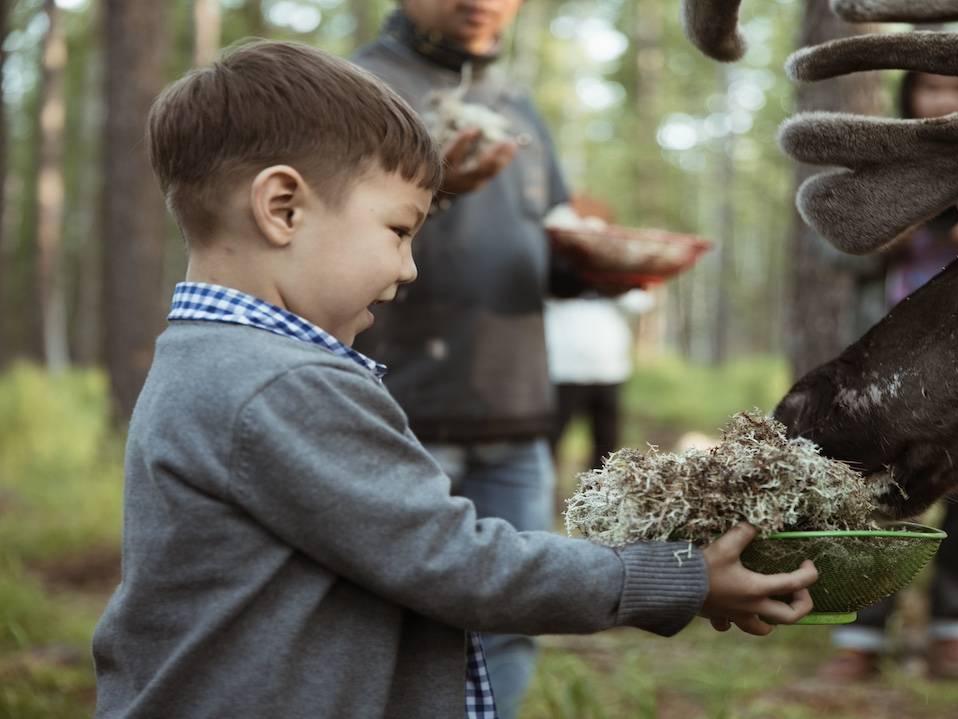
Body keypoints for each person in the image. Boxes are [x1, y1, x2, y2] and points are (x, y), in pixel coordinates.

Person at [90, 40, 820, 719]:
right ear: (283, 208)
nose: (408, 268)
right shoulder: (277, 384)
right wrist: (675, 578)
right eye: (399, 231)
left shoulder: (205, 355)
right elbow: (459, 562)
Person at [350, 4, 598, 714]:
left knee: (515, 621)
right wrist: (438, 192)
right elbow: (328, 239)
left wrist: (591, 268)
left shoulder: (516, 100)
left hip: (518, 412)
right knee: (396, 622)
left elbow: (544, 243)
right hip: (399, 410)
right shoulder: (359, 88)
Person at [819, 71, 958, 683]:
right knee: (874, 493)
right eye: (932, 88)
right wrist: (892, 230)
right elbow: (835, 252)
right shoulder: (884, 165)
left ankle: (957, 632)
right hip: (891, 365)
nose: (945, 101)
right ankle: (859, 635)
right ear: (909, 94)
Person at [546, 287, 653, 471]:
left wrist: (609, 282)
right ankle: (546, 495)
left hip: (609, 370)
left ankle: (598, 494)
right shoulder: (556, 266)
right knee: (550, 441)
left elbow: (641, 302)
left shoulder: (613, 277)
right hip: (563, 371)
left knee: (607, 443)